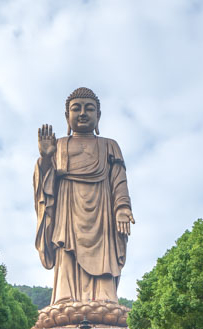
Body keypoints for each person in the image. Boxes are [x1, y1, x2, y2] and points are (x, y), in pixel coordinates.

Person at [34, 87, 134, 309]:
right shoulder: (59, 145)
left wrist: (122, 208)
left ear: (98, 115)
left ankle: (106, 299)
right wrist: (46, 158)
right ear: (66, 116)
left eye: (89, 109)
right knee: (66, 249)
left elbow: (119, 179)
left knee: (105, 252)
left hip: (102, 211)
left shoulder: (109, 145)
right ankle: (65, 299)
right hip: (68, 209)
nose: (82, 113)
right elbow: (46, 187)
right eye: (76, 108)